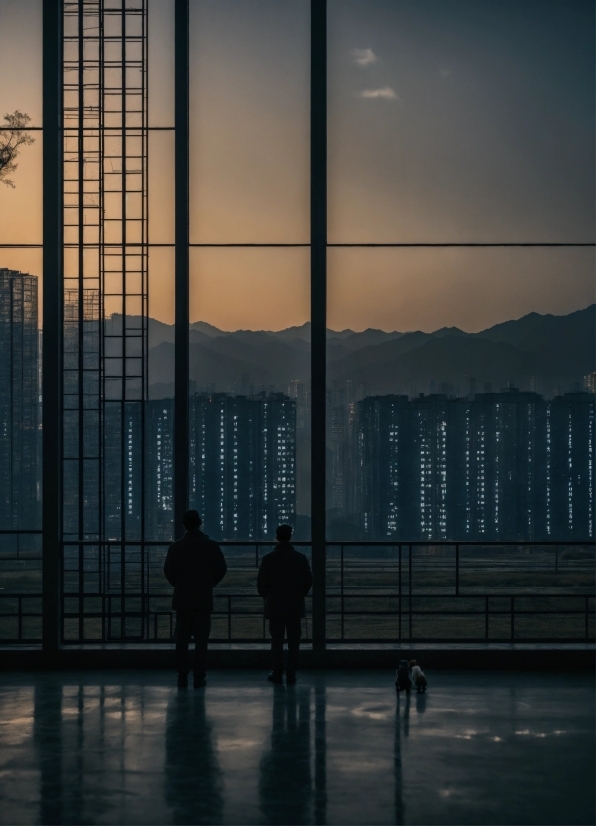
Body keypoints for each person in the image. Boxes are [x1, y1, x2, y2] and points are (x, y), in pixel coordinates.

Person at [164, 509, 227, 688]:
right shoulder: (211, 546)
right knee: (201, 641)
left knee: (182, 640)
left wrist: (179, 584)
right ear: (200, 523)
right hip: (203, 598)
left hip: (183, 599)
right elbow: (221, 569)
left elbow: (168, 571)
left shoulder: (176, 547)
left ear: (184, 525)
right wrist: (209, 584)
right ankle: (199, 675)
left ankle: (182, 674)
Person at [257, 524, 312, 685]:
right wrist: (299, 594)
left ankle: (277, 670)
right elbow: (308, 581)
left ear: (277, 536)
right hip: (294, 605)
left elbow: (261, 585)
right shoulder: (300, 558)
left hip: (275, 605)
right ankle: (291, 672)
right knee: (294, 640)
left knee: (276, 640)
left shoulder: (268, 558)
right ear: (290, 536)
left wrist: (268, 596)